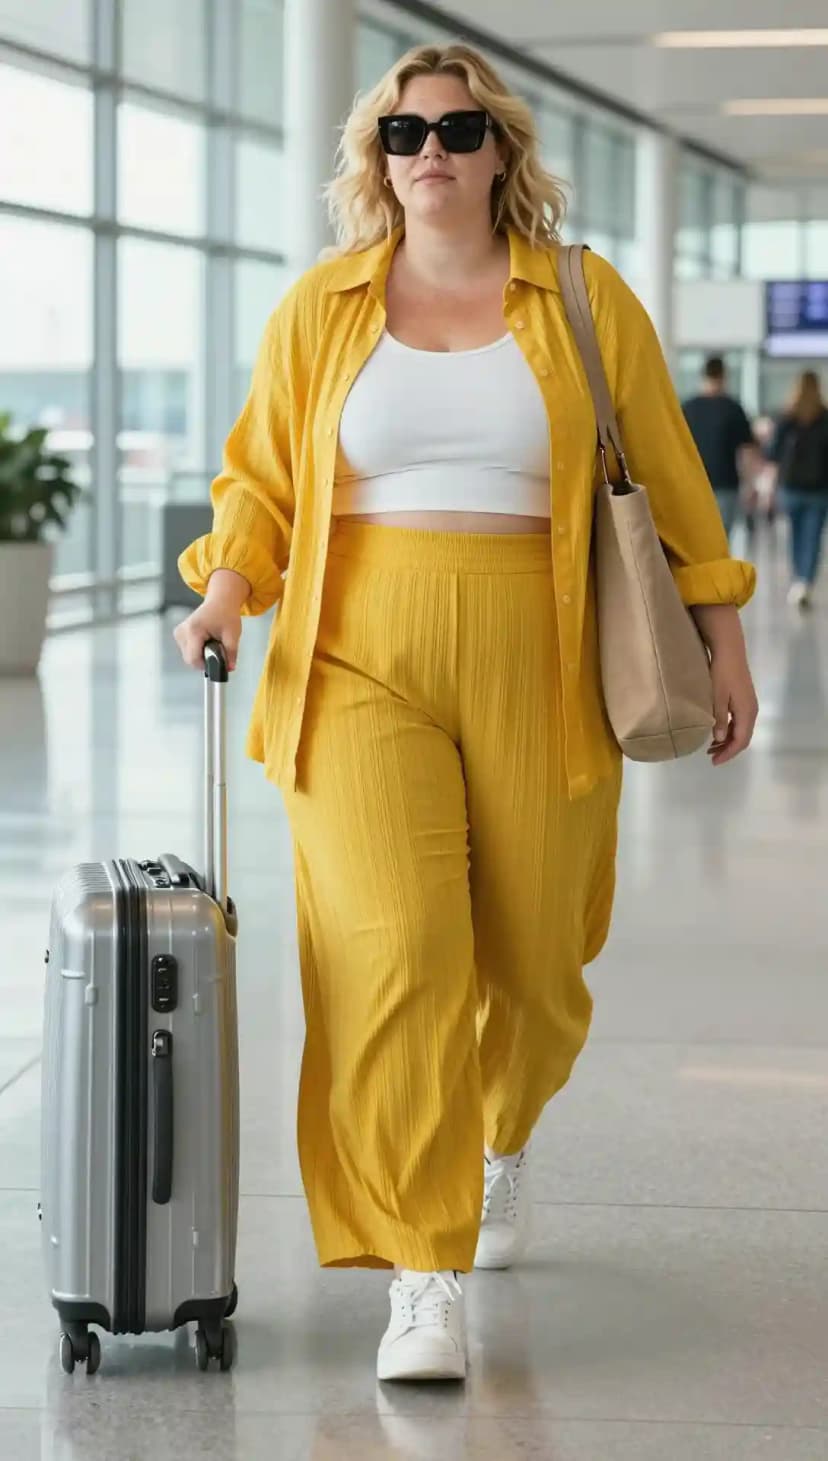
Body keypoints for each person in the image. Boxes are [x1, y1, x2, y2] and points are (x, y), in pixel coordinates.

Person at [174, 44, 758, 1384]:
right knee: (396, 952)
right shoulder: (321, 308)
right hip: (356, 655)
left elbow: (668, 480)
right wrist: (226, 592)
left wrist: (723, 635)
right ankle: (422, 1270)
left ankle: (500, 1137)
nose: (425, 152)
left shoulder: (584, 299)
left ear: (500, 151)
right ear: (374, 161)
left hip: (543, 654)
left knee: (539, 965)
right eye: (399, 133)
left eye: (452, 128)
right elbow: (259, 483)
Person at [682, 356, 762, 542]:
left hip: (693, 484)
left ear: (702, 375)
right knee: (721, 541)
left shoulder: (687, 409)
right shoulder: (734, 409)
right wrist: (750, 485)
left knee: (696, 541)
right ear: (724, 376)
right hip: (726, 485)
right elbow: (747, 452)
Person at [767, 370, 828, 609]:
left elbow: (772, 453)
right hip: (819, 489)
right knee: (812, 538)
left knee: (794, 536)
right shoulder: (825, 418)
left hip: (790, 488)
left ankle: (797, 580)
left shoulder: (787, 418)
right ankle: (805, 582)